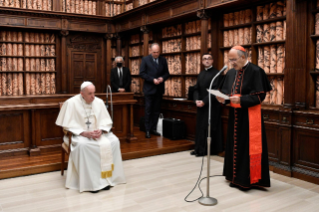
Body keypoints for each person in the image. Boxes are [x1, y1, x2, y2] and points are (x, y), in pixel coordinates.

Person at [216, 46, 272, 190]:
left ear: (243, 57)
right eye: (230, 60)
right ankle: (234, 177)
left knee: (247, 148)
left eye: (233, 59)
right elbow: (228, 94)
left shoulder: (256, 71)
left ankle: (248, 181)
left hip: (249, 117)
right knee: (235, 146)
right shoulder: (230, 73)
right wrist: (223, 99)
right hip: (234, 116)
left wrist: (241, 100)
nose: (232, 63)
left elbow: (260, 96)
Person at [56, 81, 126, 193]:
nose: (93, 96)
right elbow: (67, 126)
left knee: (114, 141)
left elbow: (106, 121)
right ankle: (90, 183)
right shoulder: (71, 103)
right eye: (90, 94)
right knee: (83, 146)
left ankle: (108, 179)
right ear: (82, 93)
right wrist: (83, 133)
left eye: (94, 93)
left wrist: (101, 130)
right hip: (78, 135)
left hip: (97, 134)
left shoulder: (99, 102)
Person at [190, 53, 223, 157]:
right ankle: (198, 149)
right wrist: (196, 100)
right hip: (200, 104)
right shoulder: (201, 73)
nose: (207, 60)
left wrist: (204, 101)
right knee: (200, 127)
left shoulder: (217, 73)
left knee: (208, 127)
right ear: (202, 61)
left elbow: (214, 90)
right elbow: (196, 88)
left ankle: (206, 151)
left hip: (211, 105)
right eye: (204, 59)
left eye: (209, 58)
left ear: (212, 61)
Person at [140, 43, 170, 138]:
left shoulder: (163, 60)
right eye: (154, 52)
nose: (156, 54)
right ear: (150, 51)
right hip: (149, 89)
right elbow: (142, 74)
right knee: (148, 110)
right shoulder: (145, 59)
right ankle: (147, 130)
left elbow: (167, 73)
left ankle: (153, 129)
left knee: (156, 111)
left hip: (159, 89)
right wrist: (152, 80)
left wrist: (162, 78)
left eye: (157, 52)